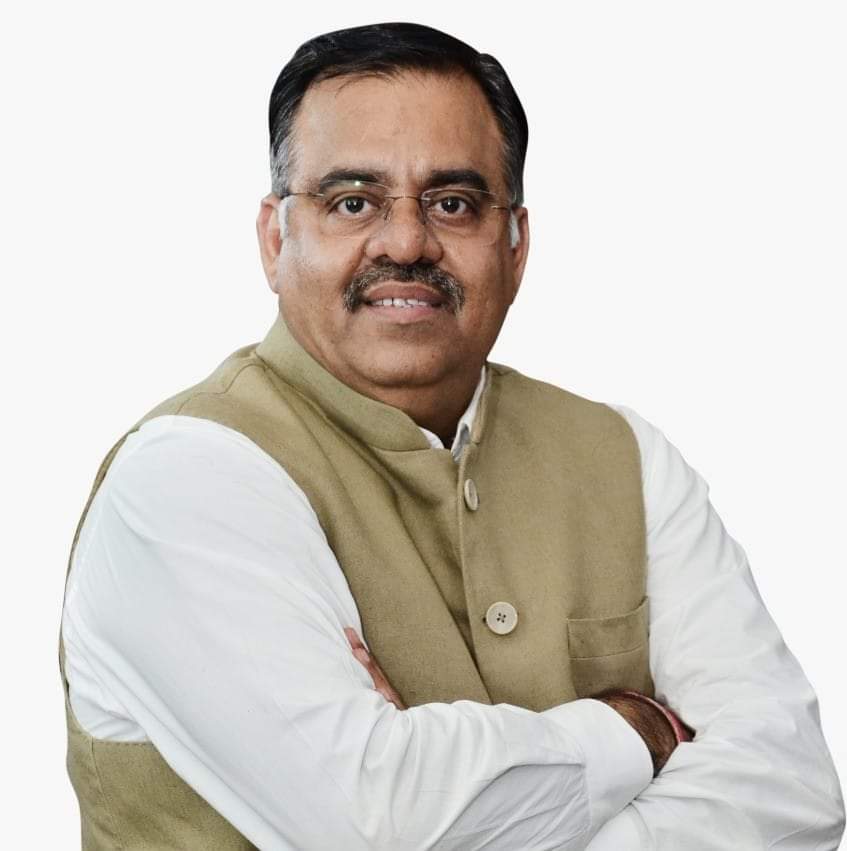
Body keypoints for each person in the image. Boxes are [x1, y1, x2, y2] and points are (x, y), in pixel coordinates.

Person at [59, 21, 844, 850]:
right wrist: (633, 730)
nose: (405, 241)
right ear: (275, 238)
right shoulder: (187, 478)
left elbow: (793, 789)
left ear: (515, 244)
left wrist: (462, 799)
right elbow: (375, 826)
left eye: (453, 203)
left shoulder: (625, 458)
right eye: (352, 201)